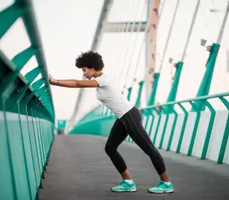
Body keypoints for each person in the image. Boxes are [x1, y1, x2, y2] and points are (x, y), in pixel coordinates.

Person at [49, 51, 174, 194]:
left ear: (92, 67)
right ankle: (128, 182)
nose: (84, 74)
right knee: (110, 148)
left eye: (84, 70)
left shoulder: (103, 79)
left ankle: (166, 183)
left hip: (130, 115)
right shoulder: (102, 79)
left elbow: (78, 83)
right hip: (123, 117)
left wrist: (55, 81)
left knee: (148, 148)